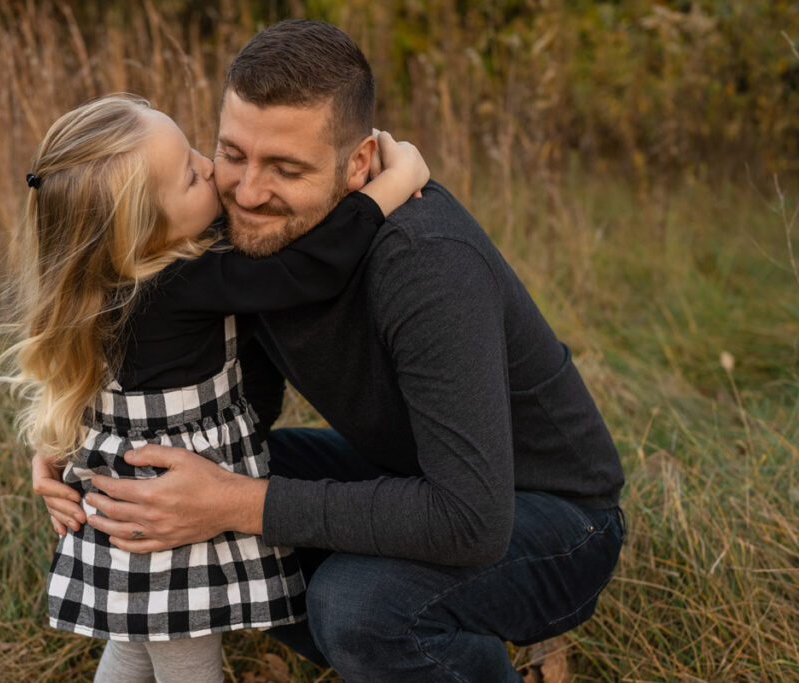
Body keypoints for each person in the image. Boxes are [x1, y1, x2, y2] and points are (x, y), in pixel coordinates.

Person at [34, 20, 626, 682]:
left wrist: (234, 502)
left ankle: (428, 644)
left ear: (359, 164)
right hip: (411, 472)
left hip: (548, 515)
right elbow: (234, 405)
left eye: (286, 168)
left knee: (358, 604)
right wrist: (80, 459)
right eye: (231, 154)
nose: (248, 192)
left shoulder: (426, 264)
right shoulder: (237, 233)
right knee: (170, 485)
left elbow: (473, 519)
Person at [4, 92, 429, 683]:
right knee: (184, 655)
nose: (210, 167)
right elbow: (308, 269)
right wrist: (392, 185)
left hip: (132, 491)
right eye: (189, 175)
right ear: (146, 229)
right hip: (170, 502)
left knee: (135, 645)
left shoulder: (110, 278)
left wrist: (54, 448)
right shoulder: (183, 282)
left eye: (195, 151)